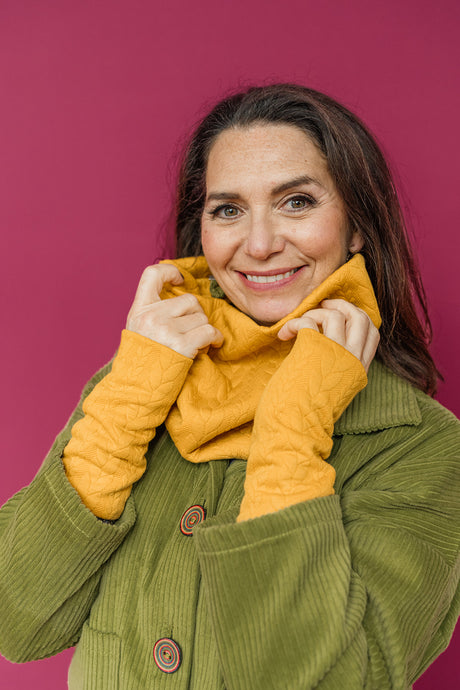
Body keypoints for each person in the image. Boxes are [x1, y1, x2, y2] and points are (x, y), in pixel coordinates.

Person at [0, 83, 459, 689]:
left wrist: (294, 429)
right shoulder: (136, 387)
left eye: (296, 202)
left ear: (357, 228)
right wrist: (128, 398)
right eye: (227, 209)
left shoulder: (421, 445)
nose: (261, 244)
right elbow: (17, 622)